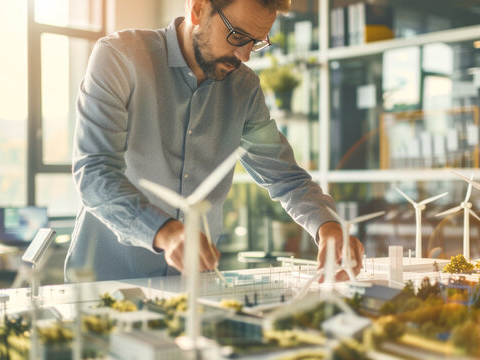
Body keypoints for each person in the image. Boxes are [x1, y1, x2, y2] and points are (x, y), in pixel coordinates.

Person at [65, 0, 364, 282]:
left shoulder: (245, 88)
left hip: (193, 292)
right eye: (237, 36)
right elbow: (95, 175)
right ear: (198, 9)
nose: (245, 55)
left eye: (257, 42)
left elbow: (285, 177)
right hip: (103, 287)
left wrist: (327, 225)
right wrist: (165, 232)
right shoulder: (120, 57)